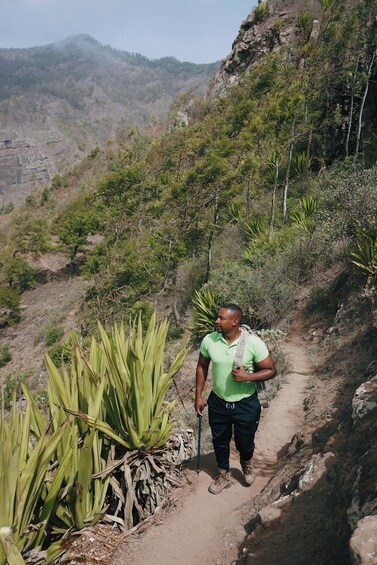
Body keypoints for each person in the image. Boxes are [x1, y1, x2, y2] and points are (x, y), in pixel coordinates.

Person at [195, 304, 276, 494]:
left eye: (221, 318)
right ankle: (223, 472)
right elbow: (201, 366)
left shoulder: (253, 343)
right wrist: (198, 396)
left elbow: (271, 370)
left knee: (245, 441)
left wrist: (247, 377)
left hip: (246, 403)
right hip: (218, 402)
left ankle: (246, 463)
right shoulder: (209, 340)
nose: (217, 321)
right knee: (219, 441)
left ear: (235, 321)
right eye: (218, 317)